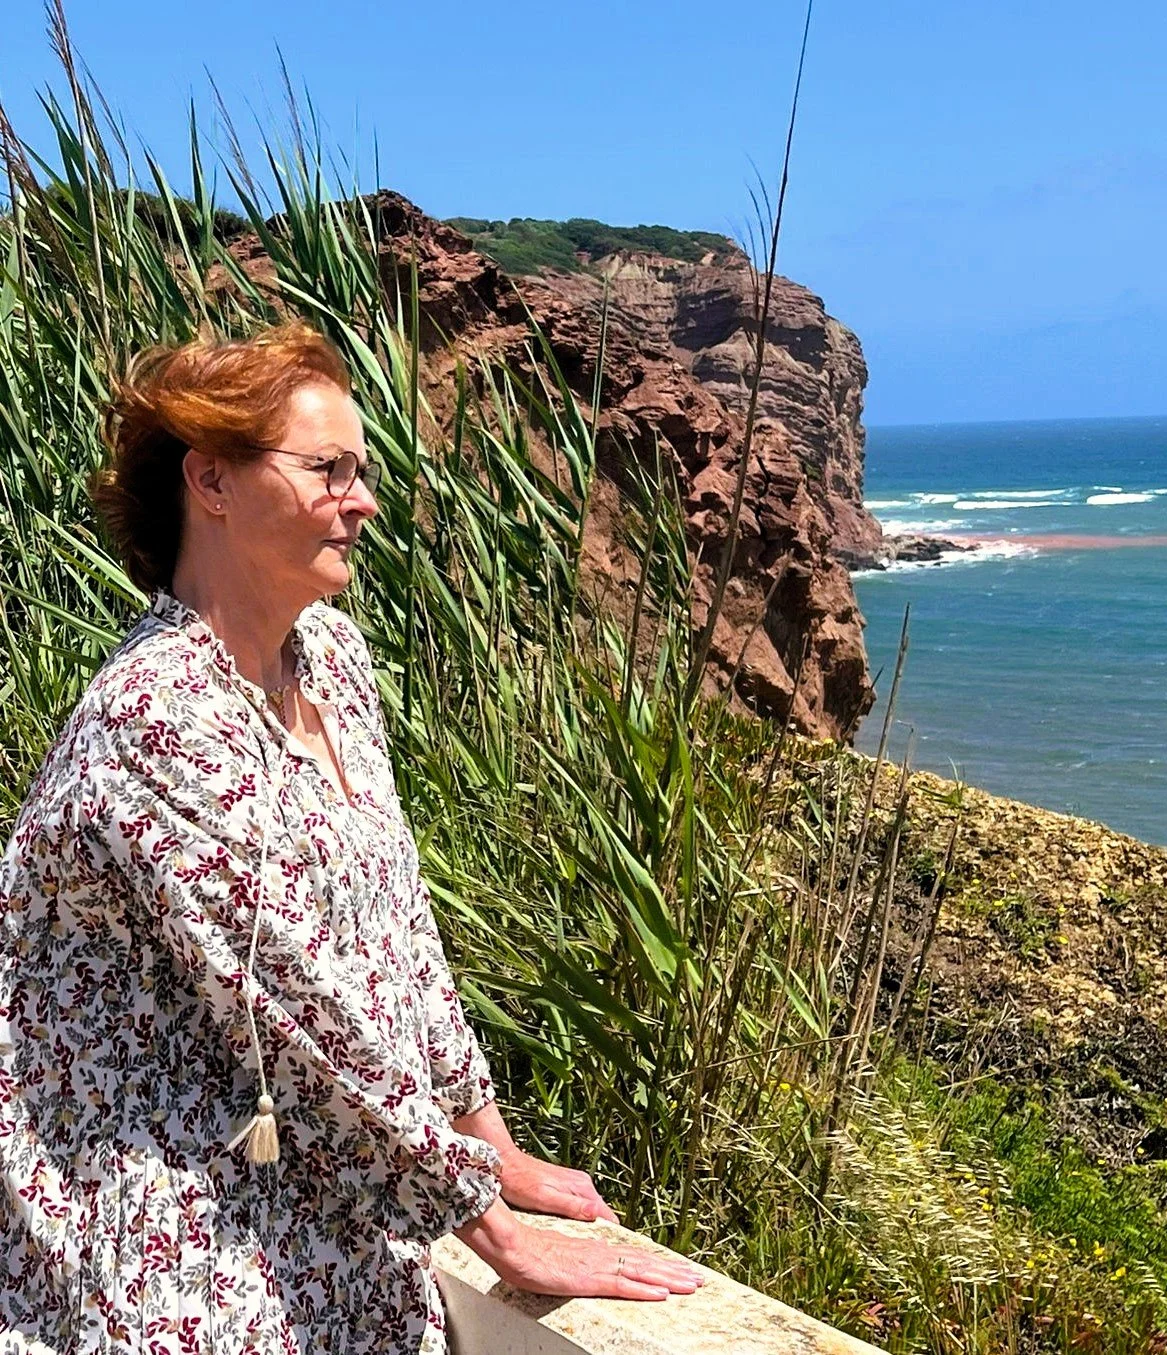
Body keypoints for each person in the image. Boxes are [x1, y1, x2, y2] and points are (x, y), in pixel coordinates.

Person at [0, 323, 701, 1354]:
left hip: (265, 1131)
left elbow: (397, 929)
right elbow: (303, 1014)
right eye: (327, 469)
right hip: (135, 1166)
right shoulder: (156, 717)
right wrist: (497, 1232)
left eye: (360, 471)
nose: (362, 500)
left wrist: (490, 1143)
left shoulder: (327, 653)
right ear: (214, 482)